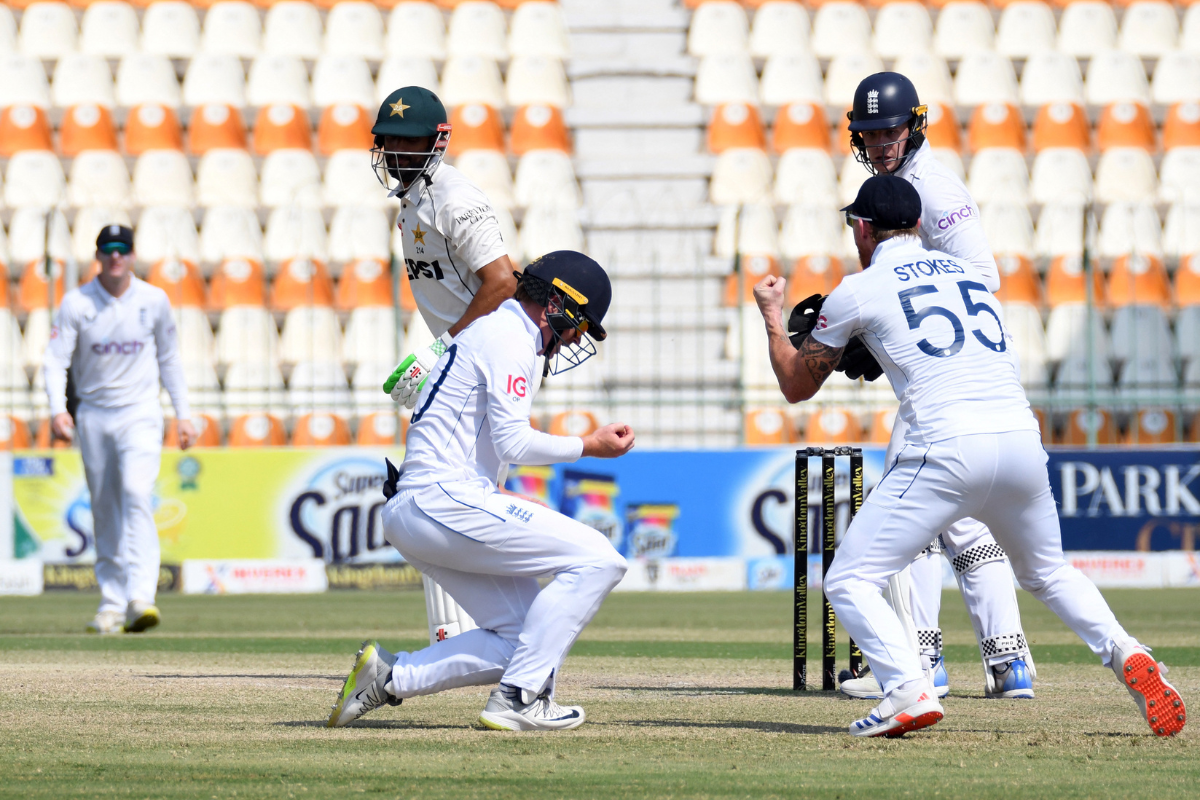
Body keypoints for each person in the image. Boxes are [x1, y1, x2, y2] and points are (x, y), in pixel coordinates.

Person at [754, 175, 1186, 738]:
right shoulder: (970, 276)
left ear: (862, 228)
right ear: (915, 224)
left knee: (850, 580)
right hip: (1020, 442)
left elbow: (795, 384)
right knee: (1049, 572)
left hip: (945, 446)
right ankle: (1126, 651)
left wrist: (771, 310)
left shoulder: (857, 288)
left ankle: (908, 687)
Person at [327, 252, 635, 732]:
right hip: (439, 499)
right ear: (555, 302)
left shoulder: (501, 333)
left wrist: (500, 498)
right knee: (599, 559)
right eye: (579, 323)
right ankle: (520, 698)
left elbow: (484, 442)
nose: (575, 337)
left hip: (429, 504)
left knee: (522, 640)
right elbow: (513, 440)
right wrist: (589, 445)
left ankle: (389, 678)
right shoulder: (510, 335)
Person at [835, 71, 1035, 700]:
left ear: (914, 124)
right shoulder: (897, 185)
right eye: (869, 133)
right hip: (946, 373)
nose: (880, 142)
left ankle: (921, 665)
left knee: (913, 516)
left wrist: (894, 319)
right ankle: (1010, 665)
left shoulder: (933, 187)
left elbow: (983, 273)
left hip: (951, 372)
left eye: (890, 130)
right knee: (966, 523)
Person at [372, 85, 519, 645]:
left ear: (437, 143)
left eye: (410, 144)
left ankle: (472, 637)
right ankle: (471, 636)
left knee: (436, 498)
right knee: (445, 499)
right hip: (464, 362)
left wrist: (442, 351)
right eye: (390, 143)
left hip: (478, 367)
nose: (398, 154)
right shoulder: (412, 202)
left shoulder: (457, 198)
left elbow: (502, 282)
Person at [44, 224, 196, 635]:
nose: (115, 256)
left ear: (132, 255)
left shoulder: (154, 300)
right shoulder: (78, 302)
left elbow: (170, 359)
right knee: (104, 504)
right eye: (108, 249)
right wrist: (58, 410)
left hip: (141, 413)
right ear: (98, 255)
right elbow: (55, 360)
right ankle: (111, 602)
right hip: (94, 414)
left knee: (134, 493)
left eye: (122, 249)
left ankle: (140, 598)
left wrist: (184, 414)